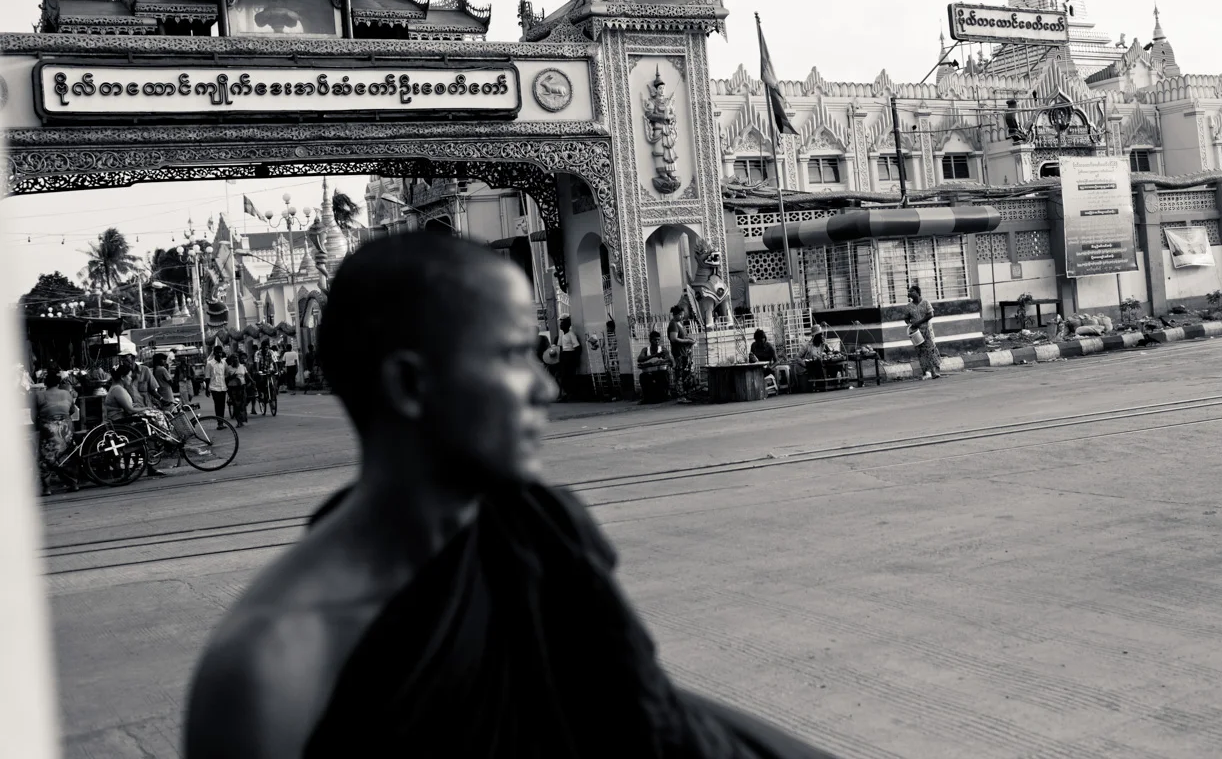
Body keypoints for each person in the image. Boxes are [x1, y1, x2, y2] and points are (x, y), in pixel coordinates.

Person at [183, 233, 836, 759]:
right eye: (513, 354)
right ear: (411, 385)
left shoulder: (538, 531)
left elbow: (645, 714)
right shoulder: (271, 671)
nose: (546, 388)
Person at [32, 369, 78, 496]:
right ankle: (73, 483)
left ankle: (46, 488)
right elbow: (72, 410)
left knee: (45, 456)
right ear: (58, 383)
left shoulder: (39, 395)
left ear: (45, 383)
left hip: (48, 429)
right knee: (67, 454)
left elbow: (33, 416)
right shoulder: (67, 394)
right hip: (65, 428)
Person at [905, 283, 944, 381]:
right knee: (921, 351)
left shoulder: (926, 302)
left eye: (911, 291)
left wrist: (918, 322)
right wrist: (910, 324)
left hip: (927, 330)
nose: (909, 293)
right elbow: (906, 318)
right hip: (916, 333)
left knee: (931, 350)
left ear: (918, 293)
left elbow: (930, 314)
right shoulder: (909, 306)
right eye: (909, 291)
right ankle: (926, 372)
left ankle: (935, 371)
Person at [666, 304, 695, 402]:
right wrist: (687, 341)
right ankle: (680, 395)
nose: (682, 317)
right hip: (678, 353)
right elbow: (674, 338)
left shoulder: (679, 323)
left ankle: (686, 394)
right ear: (675, 314)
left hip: (684, 352)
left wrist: (689, 339)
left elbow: (683, 336)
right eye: (680, 315)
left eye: (682, 315)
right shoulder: (673, 324)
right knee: (679, 374)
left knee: (686, 373)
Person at [636, 330, 672, 404]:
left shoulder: (662, 349)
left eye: (658, 340)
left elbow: (669, 360)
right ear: (650, 340)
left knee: (664, 374)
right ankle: (646, 397)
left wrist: (662, 361)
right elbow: (640, 359)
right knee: (643, 376)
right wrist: (654, 356)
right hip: (649, 372)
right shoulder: (646, 349)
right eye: (655, 340)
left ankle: (665, 395)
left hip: (660, 371)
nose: (657, 341)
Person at [556, 316, 582, 401]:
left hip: (570, 356)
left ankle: (570, 395)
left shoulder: (571, 334)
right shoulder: (562, 335)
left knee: (569, 376)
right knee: (563, 376)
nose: (560, 325)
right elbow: (560, 347)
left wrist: (576, 359)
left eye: (562, 324)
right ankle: (565, 394)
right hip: (564, 356)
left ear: (567, 325)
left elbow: (577, 347)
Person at [226, 354, 250, 429]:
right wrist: (232, 377)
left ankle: (242, 420)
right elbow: (226, 379)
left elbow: (247, 375)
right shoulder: (228, 368)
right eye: (234, 359)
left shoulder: (242, 367)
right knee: (236, 405)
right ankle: (239, 421)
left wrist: (252, 382)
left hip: (242, 386)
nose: (235, 360)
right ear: (231, 361)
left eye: (236, 358)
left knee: (243, 404)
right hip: (233, 388)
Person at [206, 347, 229, 420]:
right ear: (214, 353)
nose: (220, 354)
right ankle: (219, 422)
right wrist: (207, 389)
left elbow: (226, 374)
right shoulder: (210, 364)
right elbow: (207, 377)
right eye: (218, 353)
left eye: (220, 352)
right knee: (217, 404)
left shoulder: (224, 363)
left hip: (223, 387)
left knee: (222, 405)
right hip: (214, 387)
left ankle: (221, 420)